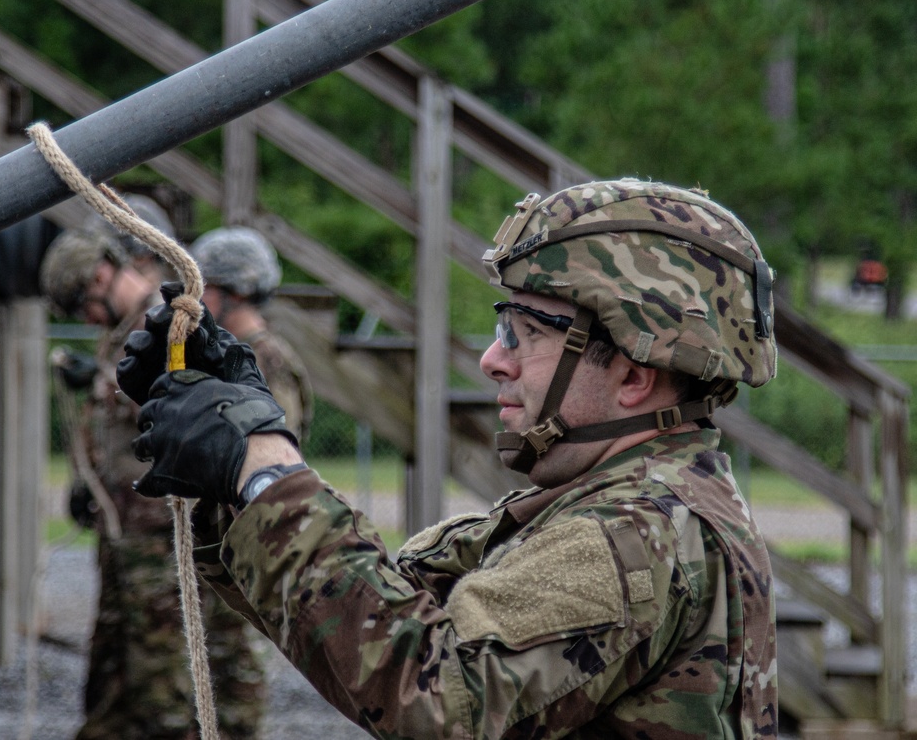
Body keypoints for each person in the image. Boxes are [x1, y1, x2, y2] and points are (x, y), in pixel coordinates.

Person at [117, 179, 779, 738]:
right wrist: (237, 479)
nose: (494, 360)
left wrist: (264, 466)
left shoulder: (630, 532)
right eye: (502, 328)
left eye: (526, 334)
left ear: (634, 377)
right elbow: (376, 623)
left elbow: (436, 697)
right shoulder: (624, 501)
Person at [41, 223, 268, 739]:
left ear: (101, 274)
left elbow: (182, 415)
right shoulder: (122, 335)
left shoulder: (169, 327)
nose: (86, 318)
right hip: (127, 534)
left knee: (161, 684)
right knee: (116, 678)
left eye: (83, 303)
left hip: (161, 539)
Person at [189, 226, 312, 441]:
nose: (196, 299)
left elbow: (278, 450)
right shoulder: (220, 350)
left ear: (237, 292)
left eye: (205, 287)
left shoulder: (268, 360)